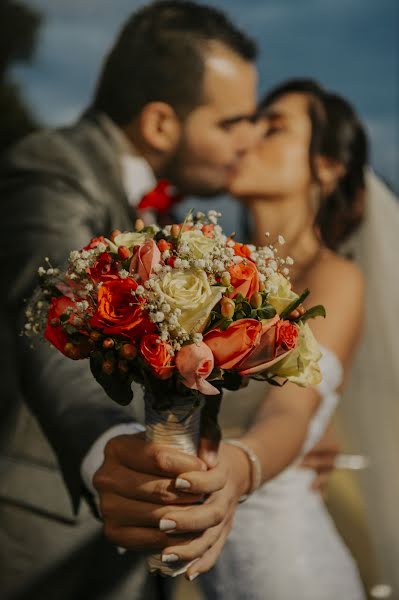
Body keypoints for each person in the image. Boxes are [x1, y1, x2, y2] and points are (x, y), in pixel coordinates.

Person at [0, 2, 259, 598]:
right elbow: (52, 318)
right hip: (44, 540)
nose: (248, 139)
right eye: (231, 122)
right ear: (162, 124)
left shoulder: (170, 212)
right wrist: (106, 451)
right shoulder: (50, 171)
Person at [152, 79, 369, 596]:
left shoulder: (337, 276)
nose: (249, 138)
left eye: (275, 128)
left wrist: (240, 467)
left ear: (328, 165)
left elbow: (289, 410)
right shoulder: (209, 276)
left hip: (289, 567)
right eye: (250, 123)